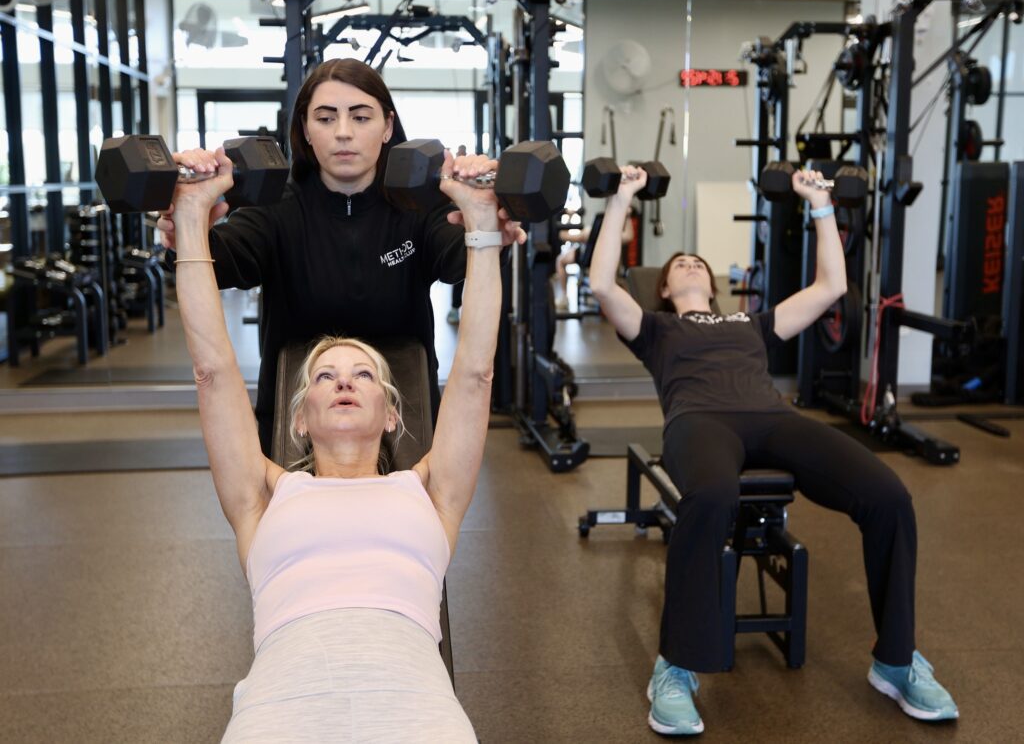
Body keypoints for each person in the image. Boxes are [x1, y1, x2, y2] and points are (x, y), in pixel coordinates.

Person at [590, 166, 958, 735]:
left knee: (889, 495)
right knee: (712, 496)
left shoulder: (753, 324)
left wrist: (819, 205)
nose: (688, 264)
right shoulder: (656, 329)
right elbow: (604, 286)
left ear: (713, 284)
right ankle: (677, 667)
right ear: (663, 288)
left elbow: (831, 286)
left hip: (773, 418)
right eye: (677, 265)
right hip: (700, 421)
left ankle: (897, 660)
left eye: (697, 263)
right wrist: (621, 200)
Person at [170, 143, 504, 740]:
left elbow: (477, 373)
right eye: (324, 375)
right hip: (282, 705)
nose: (344, 380)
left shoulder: (431, 491)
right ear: (299, 419)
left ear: (391, 414)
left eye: (363, 374)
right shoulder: (261, 495)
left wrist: (481, 226)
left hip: (416, 707)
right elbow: (212, 370)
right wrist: (193, 217)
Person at [157, 59, 523, 453]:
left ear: (387, 127)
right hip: (297, 422)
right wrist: (190, 231)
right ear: (305, 131)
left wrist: (482, 222)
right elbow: (227, 256)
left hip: (405, 418)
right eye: (326, 119)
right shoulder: (277, 209)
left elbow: (458, 255)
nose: (343, 133)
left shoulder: (418, 206)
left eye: (361, 117)